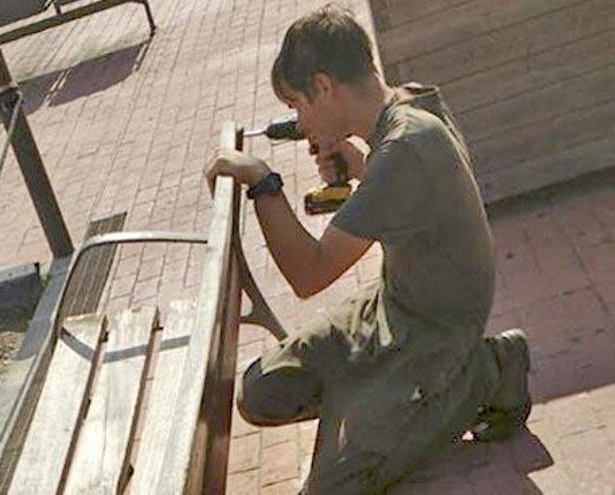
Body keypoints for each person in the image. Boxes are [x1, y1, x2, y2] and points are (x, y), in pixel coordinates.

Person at [204, 5, 531, 494]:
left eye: (299, 106)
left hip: (436, 334)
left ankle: (491, 369)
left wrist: (262, 183)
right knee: (262, 392)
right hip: (391, 308)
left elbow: (308, 274)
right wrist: (357, 163)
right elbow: (410, 186)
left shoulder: (407, 148)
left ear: (324, 86)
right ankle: (375, 398)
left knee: (335, 488)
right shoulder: (411, 105)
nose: (300, 121)